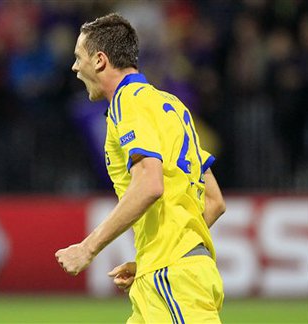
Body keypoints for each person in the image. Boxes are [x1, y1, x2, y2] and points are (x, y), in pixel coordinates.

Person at [55, 13, 226, 323]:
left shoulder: (128, 103)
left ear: (100, 60)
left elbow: (149, 185)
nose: (74, 67)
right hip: (165, 275)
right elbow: (214, 201)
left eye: (79, 57)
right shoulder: (170, 106)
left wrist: (88, 248)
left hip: (173, 281)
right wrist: (149, 259)